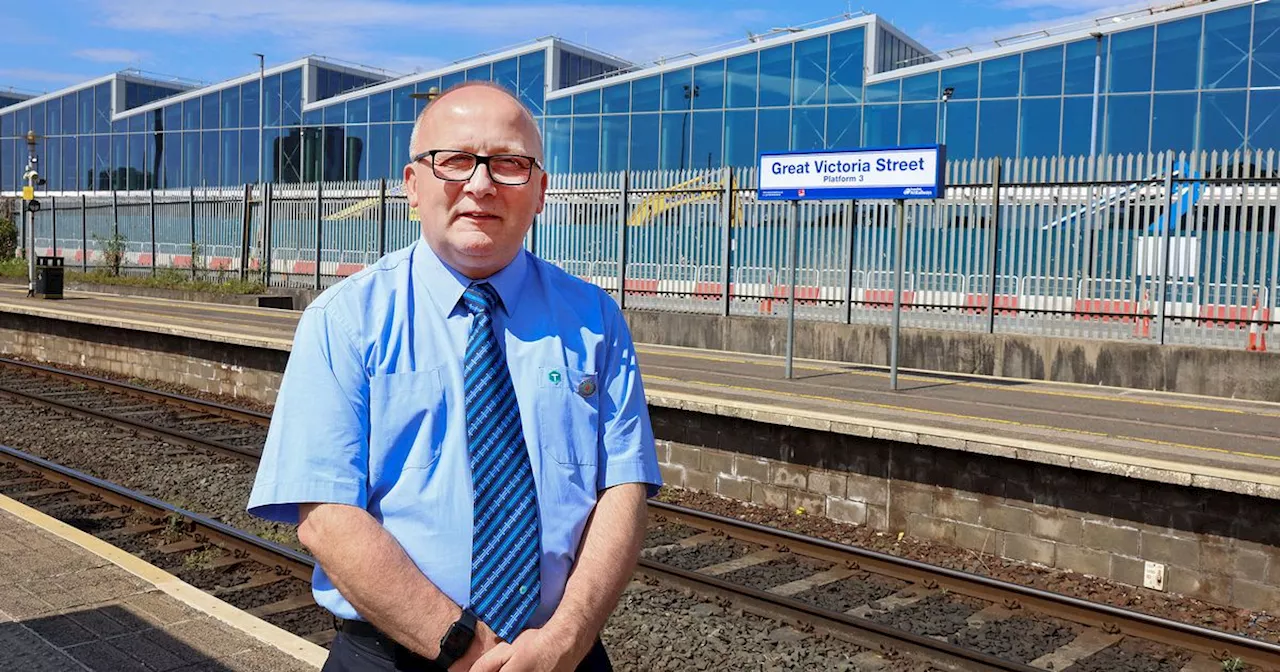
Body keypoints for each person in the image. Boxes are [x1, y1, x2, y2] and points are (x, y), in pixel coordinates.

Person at [247, 81, 661, 672]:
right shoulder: (345, 321)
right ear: (413, 186)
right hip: (396, 657)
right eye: (456, 160)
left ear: (540, 191)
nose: (481, 183)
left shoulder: (596, 321)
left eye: (510, 163)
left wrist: (563, 642)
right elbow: (326, 516)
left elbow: (622, 490)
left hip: (561, 657)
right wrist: (465, 648)